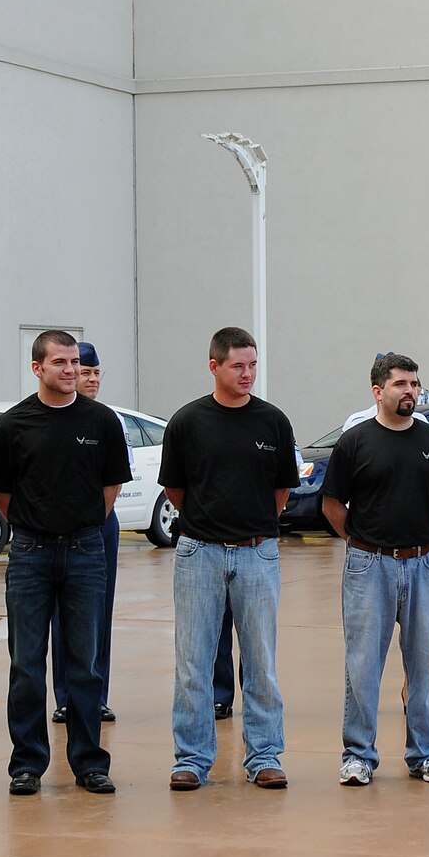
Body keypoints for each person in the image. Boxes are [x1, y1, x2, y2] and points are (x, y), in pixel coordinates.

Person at [0, 331, 130, 796]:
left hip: (86, 552)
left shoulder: (102, 421)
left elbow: (111, 487)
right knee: (26, 664)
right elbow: (1, 495)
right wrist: (37, 527)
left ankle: (89, 762)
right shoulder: (12, 426)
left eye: (75, 362)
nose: (70, 370)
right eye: (60, 362)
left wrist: (82, 524)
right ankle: (27, 764)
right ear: (37, 368)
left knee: (82, 664)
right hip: (30, 554)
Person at [158, 326, 298, 790]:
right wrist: (211, 526)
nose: (247, 374)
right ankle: (192, 759)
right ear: (214, 366)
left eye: (253, 365)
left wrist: (252, 529)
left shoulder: (273, 422)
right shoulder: (187, 422)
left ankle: (264, 756)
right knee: (193, 661)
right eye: (238, 365)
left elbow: (281, 490)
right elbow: (176, 489)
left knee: (261, 661)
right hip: (199, 553)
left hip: (258, 554)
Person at [321, 353, 429, 786]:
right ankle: (358, 756)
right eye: (401, 384)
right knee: (363, 664)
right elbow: (331, 505)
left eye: (415, 384)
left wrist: (417, 537)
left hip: (424, 563)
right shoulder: (356, 442)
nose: (410, 392)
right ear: (378, 391)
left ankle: (426, 755)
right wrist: (362, 542)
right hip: (369, 565)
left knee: (424, 664)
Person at [50, 340, 120, 726]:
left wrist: (95, 521)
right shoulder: (55, 414)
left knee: (98, 614)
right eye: (84, 371)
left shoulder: (106, 420)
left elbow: (114, 481)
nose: (89, 378)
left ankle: (97, 694)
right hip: (56, 528)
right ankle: (64, 695)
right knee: (61, 616)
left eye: (94, 372)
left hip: (99, 525)